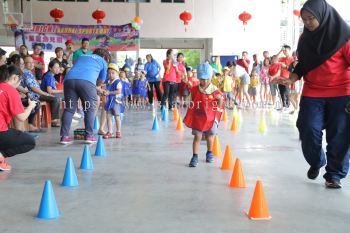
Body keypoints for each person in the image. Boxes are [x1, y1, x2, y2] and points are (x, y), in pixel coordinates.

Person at [275, 0, 350, 189]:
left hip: (342, 92)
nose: (308, 22)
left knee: (340, 134)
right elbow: (303, 64)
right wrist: (291, 79)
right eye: (304, 19)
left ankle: (334, 175)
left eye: (311, 18)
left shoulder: (345, 37)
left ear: (323, 16)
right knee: (307, 127)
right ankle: (317, 161)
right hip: (313, 91)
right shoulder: (305, 38)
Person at [60, 48, 111, 144]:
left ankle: (64, 136)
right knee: (89, 109)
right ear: (105, 57)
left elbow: (78, 70)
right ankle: (89, 136)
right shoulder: (103, 61)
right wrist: (97, 87)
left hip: (69, 81)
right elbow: (101, 81)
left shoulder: (82, 56)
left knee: (69, 109)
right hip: (86, 84)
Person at [182, 63, 224, 167]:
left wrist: (220, 100)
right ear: (199, 78)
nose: (204, 81)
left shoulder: (215, 91)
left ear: (210, 77)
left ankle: (209, 152)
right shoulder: (195, 89)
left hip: (211, 118)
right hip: (198, 117)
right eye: (202, 79)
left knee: (210, 137)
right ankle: (194, 156)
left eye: (207, 79)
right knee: (197, 136)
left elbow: (220, 105)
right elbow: (191, 100)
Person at [0, 65, 36, 171]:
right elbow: (21, 117)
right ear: (15, 77)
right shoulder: (10, 90)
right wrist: (30, 106)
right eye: (20, 80)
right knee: (30, 141)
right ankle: (0, 157)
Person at [22, 56, 61, 128]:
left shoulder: (29, 72)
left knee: (57, 97)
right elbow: (33, 88)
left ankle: (55, 119)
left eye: (32, 62)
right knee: (56, 98)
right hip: (35, 95)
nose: (31, 64)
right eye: (29, 63)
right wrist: (44, 93)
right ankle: (54, 120)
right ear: (24, 64)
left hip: (37, 94)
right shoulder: (26, 73)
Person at [103, 63, 123, 139]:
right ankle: (110, 131)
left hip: (116, 102)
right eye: (109, 73)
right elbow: (106, 89)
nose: (110, 75)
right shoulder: (108, 82)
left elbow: (119, 91)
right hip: (109, 102)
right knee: (108, 116)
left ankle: (118, 131)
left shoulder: (118, 82)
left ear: (117, 73)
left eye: (112, 73)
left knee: (117, 117)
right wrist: (104, 91)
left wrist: (109, 93)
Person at [277, 45, 294, 112]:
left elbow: (293, 69)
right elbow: (275, 58)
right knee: (281, 93)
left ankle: (288, 106)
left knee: (287, 93)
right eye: (283, 51)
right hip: (280, 78)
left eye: (285, 50)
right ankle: (283, 106)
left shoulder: (292, 59)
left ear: (289, 50)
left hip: (288, 78)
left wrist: (286, 66)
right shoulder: (282, 58)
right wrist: (280, 51)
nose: (284, 52)